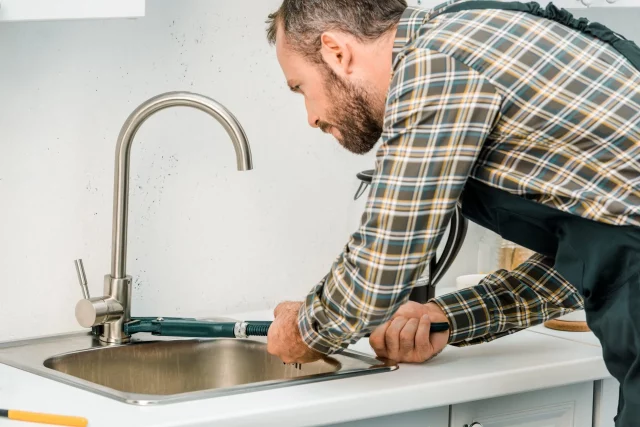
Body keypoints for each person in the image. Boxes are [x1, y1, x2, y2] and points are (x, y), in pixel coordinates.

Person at [263, 0, 640, 425]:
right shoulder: (470, 36)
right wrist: (446, 318)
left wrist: (304, 330)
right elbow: (585, 263)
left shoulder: (436, 63)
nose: (311, 118)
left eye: (300, 88)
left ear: (335, 51)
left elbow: (382, 264)